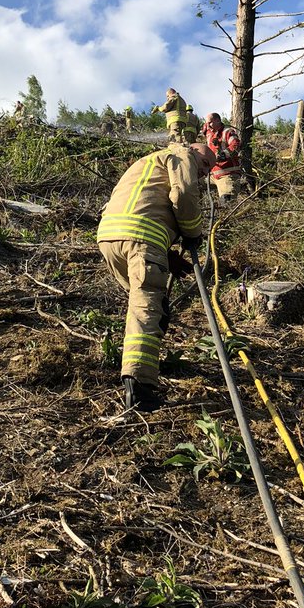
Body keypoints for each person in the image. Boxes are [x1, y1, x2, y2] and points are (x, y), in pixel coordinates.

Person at [97, 142, 216, 409]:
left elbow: (144, 202)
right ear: (195, 149)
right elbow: (184, 195)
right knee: (147, 307)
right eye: (206, 163)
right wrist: (193, 233)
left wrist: (167, 254)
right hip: (142, 238)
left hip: (110, 237)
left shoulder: (149, 161)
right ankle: (140, 387)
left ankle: (147, 357)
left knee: (147, 305)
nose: (205, 173)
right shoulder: (182, 154)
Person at [203, 112, 241, 197]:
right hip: (212, 175)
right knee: (192, 184)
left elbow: (236, 145)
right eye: (207, 123)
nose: (208, 125)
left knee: (227, 202)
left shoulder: (227, 131)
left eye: (210, 123)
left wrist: (223, 155)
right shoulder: (209, 133)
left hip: (227, 174)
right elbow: (205, 128)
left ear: (218, 121)